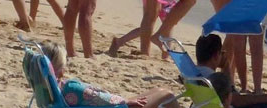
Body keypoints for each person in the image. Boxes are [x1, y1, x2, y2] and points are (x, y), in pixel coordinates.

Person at [40, 42, 175, 108]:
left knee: (158, 90)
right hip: (118, 106)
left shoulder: (46, 87)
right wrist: (126, 101)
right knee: (167, 94)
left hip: (107, 103)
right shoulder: (71, 88)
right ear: (61, 70)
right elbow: (105, 99)